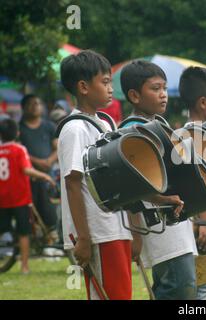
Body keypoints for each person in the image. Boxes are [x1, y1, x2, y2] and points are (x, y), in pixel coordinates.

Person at [58, 50, 140, 300]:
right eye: (104, 82)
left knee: (121, 294)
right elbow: (72, 184)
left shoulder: (105, 124)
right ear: (83, 87)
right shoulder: (74, 129)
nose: (110, 88)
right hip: (98, 231)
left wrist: (134, 228)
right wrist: (83, 237)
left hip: (116, 227)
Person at [119, 60, 194, 300]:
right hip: (157, 223)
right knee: (177, 286)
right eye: (155, 88)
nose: (163, 95)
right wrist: (136, 233)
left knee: (184, 286)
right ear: (134, 95)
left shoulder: (157, 125)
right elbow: (129, 185)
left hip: (173, 219)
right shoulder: (132, 131)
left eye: (164, 88)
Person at [179, 66, 206, 300]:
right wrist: (205, 220)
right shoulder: (191, 137)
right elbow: (195, 183)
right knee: (204, 287)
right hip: (201, 227)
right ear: (203, 103)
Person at [0, 119, 55, 274]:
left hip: (2, 199)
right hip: (20, 199)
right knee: (23, 232)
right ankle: (24, 266)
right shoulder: (19, 149)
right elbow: (26, 170)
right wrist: (44, 176)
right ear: (17, 133)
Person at [19, 95, 59, 246]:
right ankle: (38, 240)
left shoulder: (49, 126)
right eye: (31, 104)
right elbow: (19, 151)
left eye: (38, 103)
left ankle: (52, 236)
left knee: (47, 200)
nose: (35, 106)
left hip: (48, 175)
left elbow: (57, 147)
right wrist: (37, 161)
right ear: (24, 107)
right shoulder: (19, 128)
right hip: (27, 176)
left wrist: (49, 160)